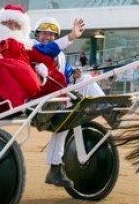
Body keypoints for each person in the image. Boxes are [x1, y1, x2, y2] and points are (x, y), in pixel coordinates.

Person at [31, 16, 86, 188]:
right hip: (40, 99)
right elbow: (47, 50)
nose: (47, 37)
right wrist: (70, 37)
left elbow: (64, 74)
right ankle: (54, 170)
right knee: (65, 119)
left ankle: (111, 110)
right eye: (44, 33)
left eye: (51, 34)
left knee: (86, 78)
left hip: (59, 96)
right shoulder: (32, 47)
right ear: (37, 34)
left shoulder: (60, 55)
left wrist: (74, 74)